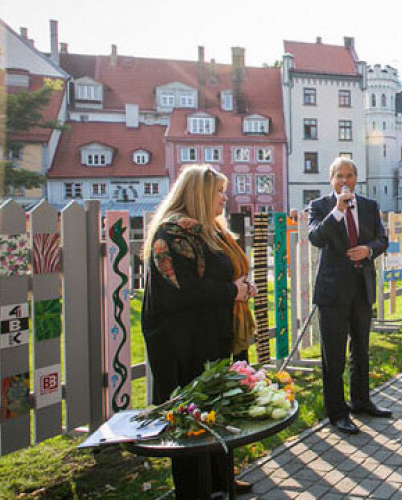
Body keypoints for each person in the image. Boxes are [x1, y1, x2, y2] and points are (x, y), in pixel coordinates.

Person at [142, 165, 257, 498]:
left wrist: (240, 288)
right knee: (193, 418)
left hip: (213, 336)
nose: (225, 196)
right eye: (219, 191)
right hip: (184, 345)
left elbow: (223, 275)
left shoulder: (210, 230)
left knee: (218, 410)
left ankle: (221, 478)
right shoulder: (172, 235)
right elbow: (179, 291)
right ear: (199, 195)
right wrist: (231, 292)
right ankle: (195, 490)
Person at [308, 158, 392, 436]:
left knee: (361, 349)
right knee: (334, 355)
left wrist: (369, 250)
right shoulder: (321, 206)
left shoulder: (369, 205)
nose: (345, 181)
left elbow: (383, 238)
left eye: (350, 176)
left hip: (361, 287)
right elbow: (316, 238)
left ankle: (361, 400)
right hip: (333, 292)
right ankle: (337, 412)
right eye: (339, 176)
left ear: (357, 178)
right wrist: (337, 212)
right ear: (331, 179)